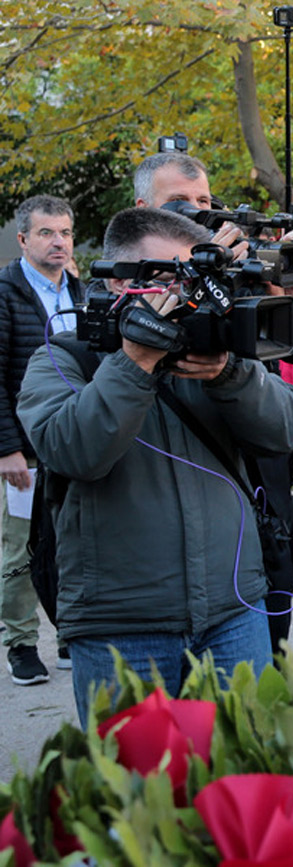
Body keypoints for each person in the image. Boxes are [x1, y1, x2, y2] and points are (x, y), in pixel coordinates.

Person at [16, 207, 293, 726]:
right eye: (172, 279)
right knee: (138, 797)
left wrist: (231, 374)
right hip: (120, 628)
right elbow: (73, 450)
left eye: (193, 279)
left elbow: (284, 431)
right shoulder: (64, 358)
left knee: (246, 783)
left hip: (234, 613)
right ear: (122, 283)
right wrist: (136, 360)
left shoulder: (219, 351)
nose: (188, 295)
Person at [134, 152, 293, 651]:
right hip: (181, 489)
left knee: (269, 647)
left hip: (261, 482)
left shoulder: (235, 257)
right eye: (178, 203)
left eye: (204, 201)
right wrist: (197, 281)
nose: (198, 213)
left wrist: (270, 279)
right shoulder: (126, 282)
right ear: (142, 208)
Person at [0, 195, 84, 685]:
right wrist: (7, 447)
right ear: (24, 239)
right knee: (19, 550)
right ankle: (21, 643)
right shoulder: (6, 293)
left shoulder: (79, 289)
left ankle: (70, 632)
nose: (59, 242)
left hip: (71, 439)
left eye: (66, 233)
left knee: (72, 542)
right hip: (24, 447)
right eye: (48, 233)